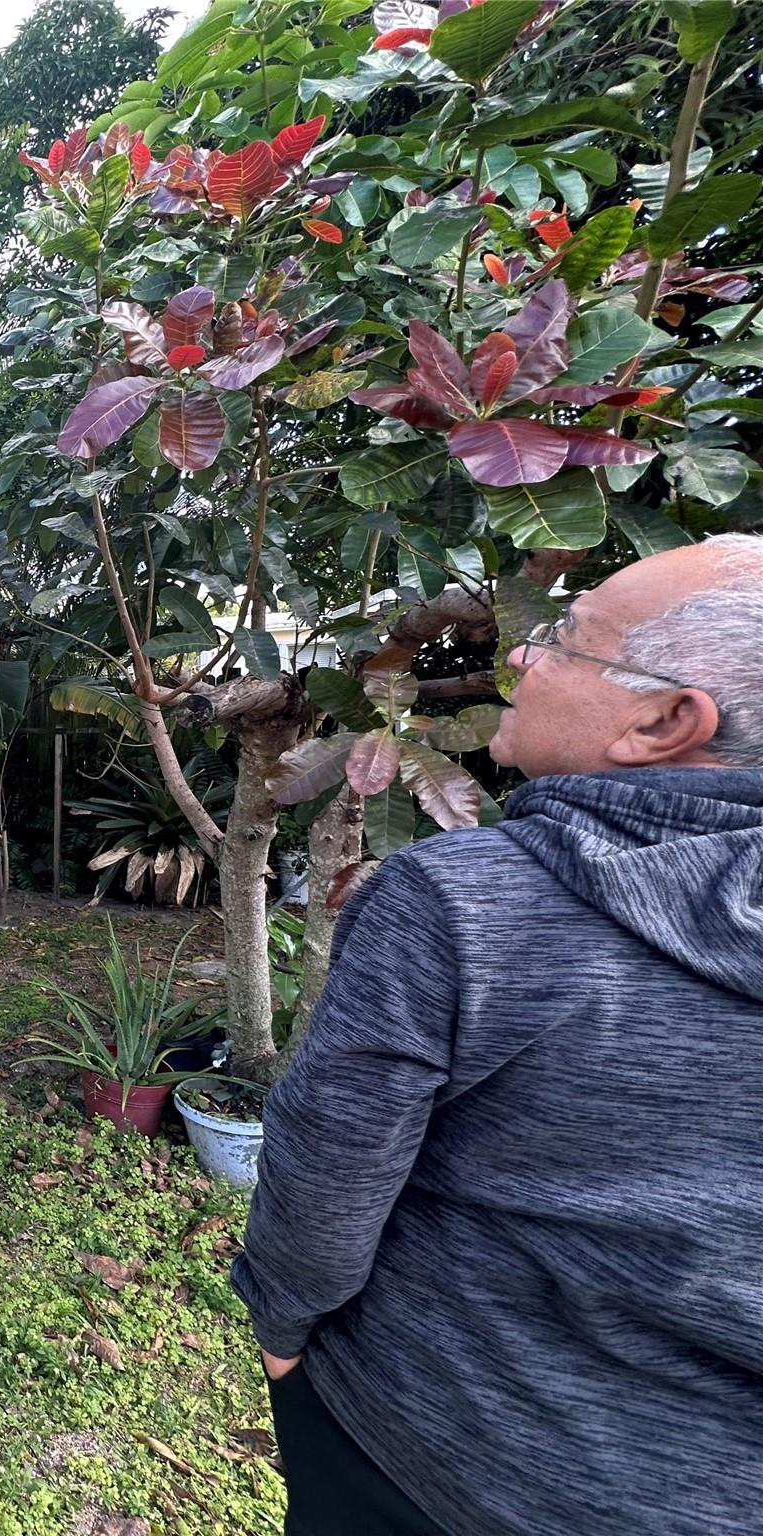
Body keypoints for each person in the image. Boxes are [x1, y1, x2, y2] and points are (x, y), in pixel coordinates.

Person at [233, 534, 763, 1536]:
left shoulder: (466, 902)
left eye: (566, 639)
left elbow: (327, 1174)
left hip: (430, 1448)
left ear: (663, 721)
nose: (519, 654)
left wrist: (281, 1327)